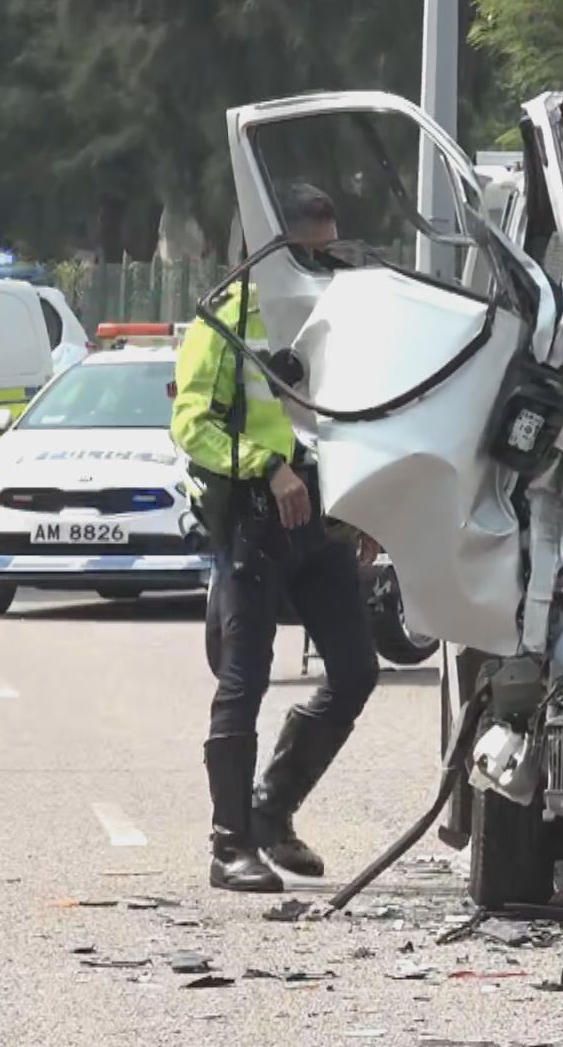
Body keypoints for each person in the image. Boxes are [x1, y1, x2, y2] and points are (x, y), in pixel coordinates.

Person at [171, 182, 382, 893]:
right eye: (310, 254)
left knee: (355, 672)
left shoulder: (342, 315)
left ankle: (272, 808)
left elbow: (362, 416)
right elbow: (192, 425)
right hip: (257, 522)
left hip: (324, 522)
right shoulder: (227, 319)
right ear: (273, 250)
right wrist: (270, 468)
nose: (324, 266)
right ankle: (230, 846)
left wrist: (371, 507)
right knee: (244, 680)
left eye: (329, 251)